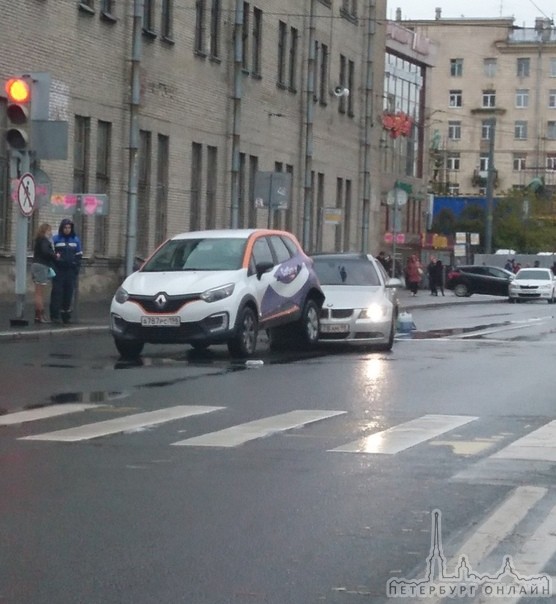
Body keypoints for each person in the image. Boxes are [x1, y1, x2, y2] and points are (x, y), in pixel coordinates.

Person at [50, 218, 83, 324]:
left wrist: (76, 268)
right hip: (59, 271)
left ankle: (66, 315)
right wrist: (55, 263)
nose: (67, 230)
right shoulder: (56, 239)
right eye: (65, 227)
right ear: (62, 228)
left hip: (70, 271)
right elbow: (51, 254)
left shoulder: (75, 240)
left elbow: (79, 255)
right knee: (57, 293)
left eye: (69, 228)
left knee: (68, 294)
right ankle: (55, 316)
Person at [31, 223, 57, 323]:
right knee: (40, 293)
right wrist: (54, 255)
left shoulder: (38, 240)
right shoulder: (44, 240)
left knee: (38, 292)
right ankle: (40, 316)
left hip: (35, 265)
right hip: (41, 265)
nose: (50, 233)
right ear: (45, 231)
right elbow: (46, 251)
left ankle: (38, 315)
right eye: (49, 231)